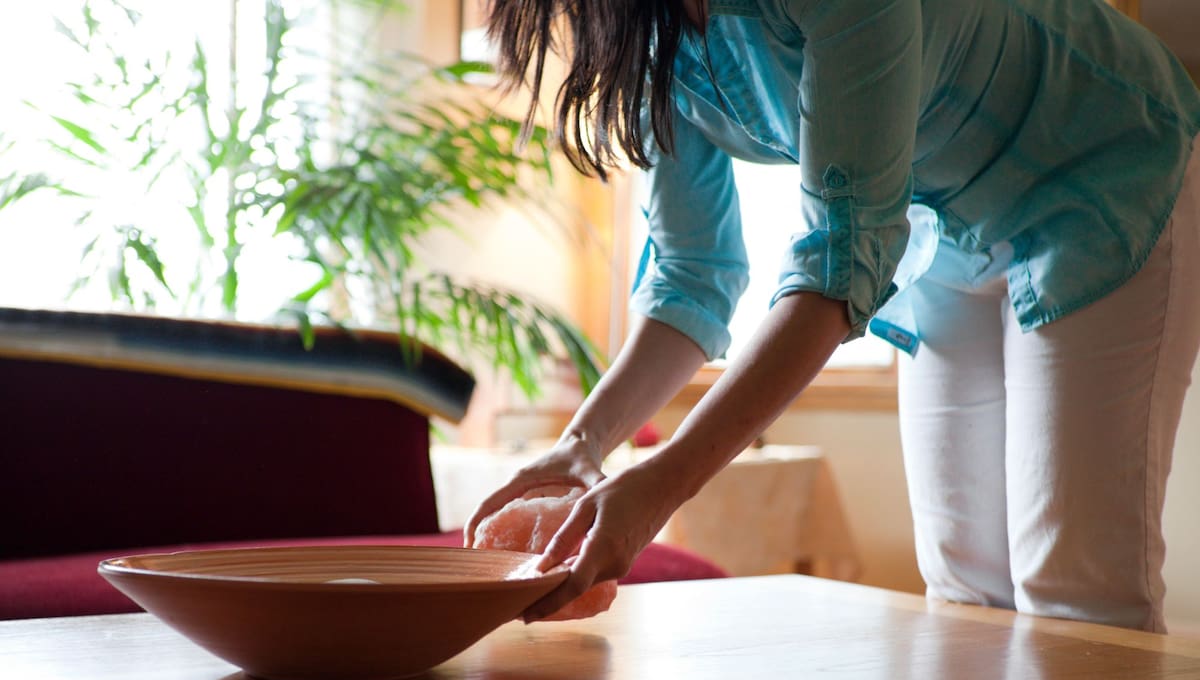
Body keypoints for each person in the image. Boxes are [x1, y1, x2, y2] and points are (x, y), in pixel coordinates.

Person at [464, 0, 1200, 632]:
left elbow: (833, 270)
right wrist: (581, 444)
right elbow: (694, 277)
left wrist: (663, 480)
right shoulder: (650, 35)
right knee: (965, 586)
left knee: (1073, 587)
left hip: (1108, 166)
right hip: (947, 228)